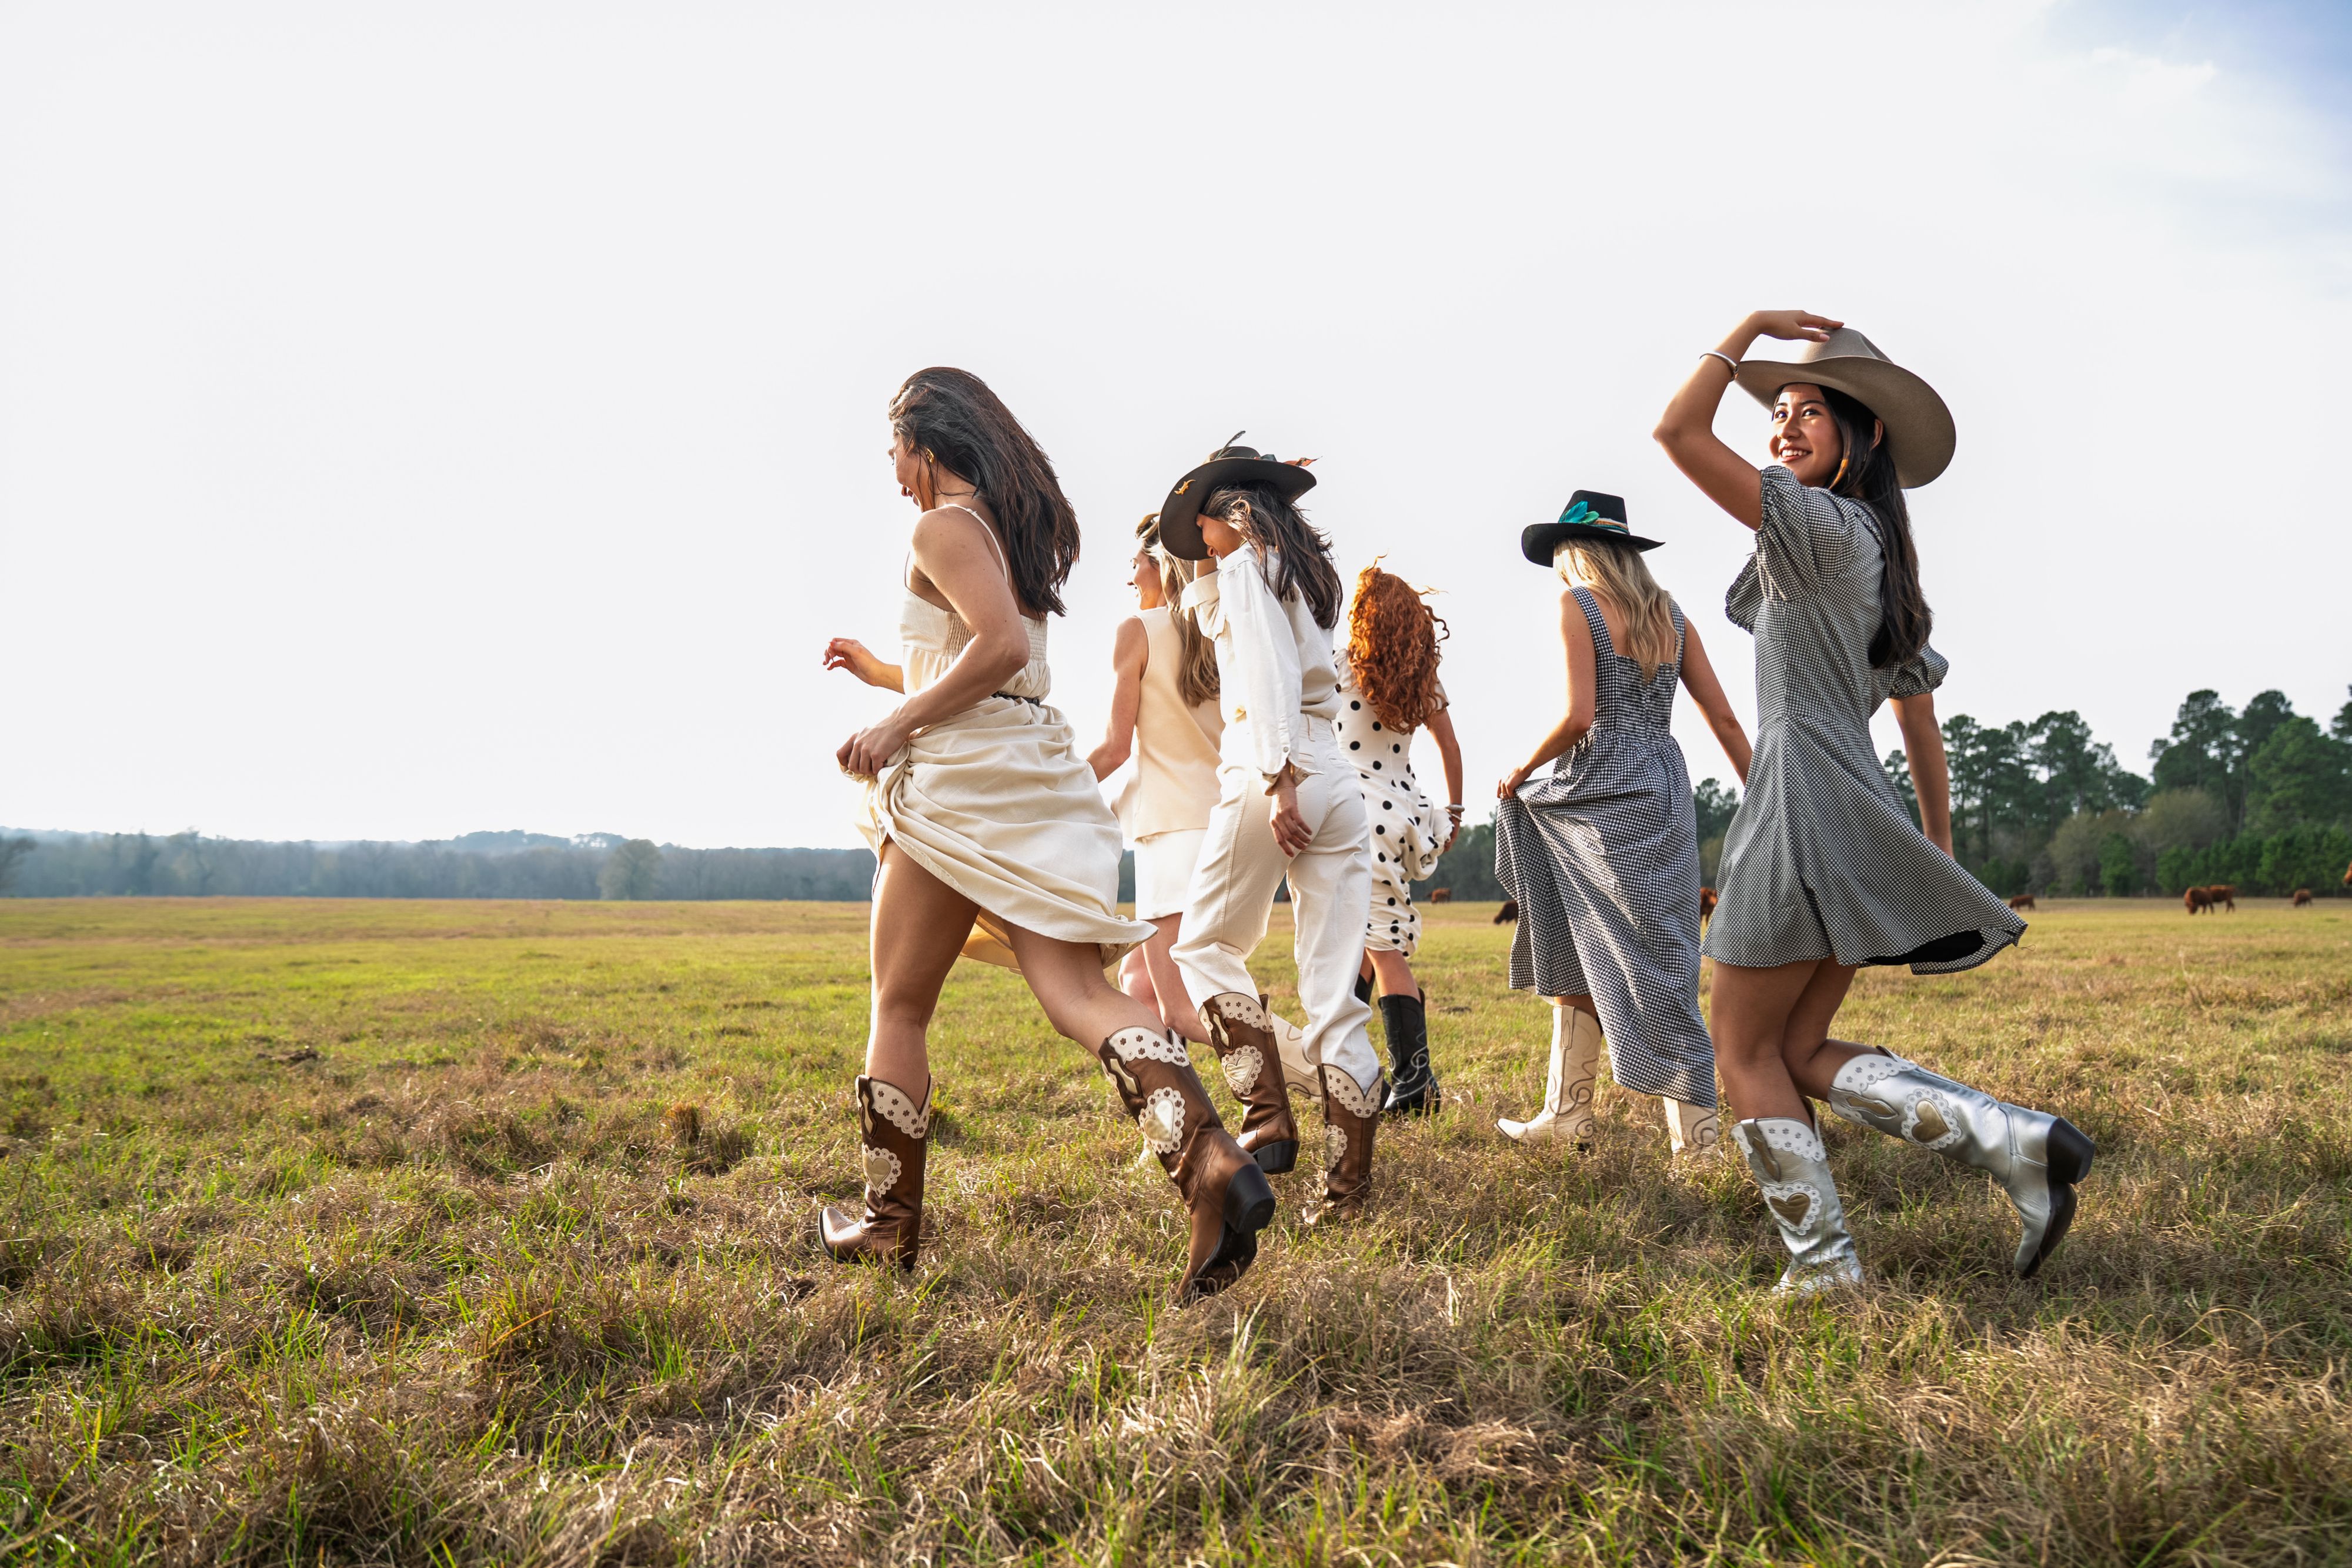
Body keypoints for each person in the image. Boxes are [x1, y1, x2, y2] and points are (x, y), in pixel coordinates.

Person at [1653, 312, 2093, 1291]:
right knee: (1796, 1045)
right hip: (1853, 801)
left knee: (1740, 1049)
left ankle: (1822, 1268)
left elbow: (1677, 435)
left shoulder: (1812, 526)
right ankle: (2014, 1143)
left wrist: (1750, 329)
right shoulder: (1875, 548)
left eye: (1812, 411)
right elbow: (1919, 713)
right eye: (1780, 411)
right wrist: (1930, 842)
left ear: (1868, 435)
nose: (1784, 426)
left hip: (1801, 796)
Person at [821, 370, 1275, 1301]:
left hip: (959, 789)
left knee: (898, 1007)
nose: (895, 474)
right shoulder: (1004, 527)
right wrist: (886, 676)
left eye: (895, 453)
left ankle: (889, 1223)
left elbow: (998, 652)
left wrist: (897, 725)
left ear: (927, 443)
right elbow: (982, 658)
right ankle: (1210, 1164)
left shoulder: (941, 524)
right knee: (1080, 992)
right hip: (1032, 775)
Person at [1157, 436, 1385, 1225]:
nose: (1198, 543)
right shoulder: (1302, 571)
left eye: (1202, 526)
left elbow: (1263, 674)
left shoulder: (1249, 566)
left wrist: (1279, 779)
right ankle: (1347, 1192)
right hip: (1340, 775)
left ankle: (1267, 1114)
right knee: (1333, 997)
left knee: (1200, 946)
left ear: (1234, 513)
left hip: (1275, 767)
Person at [1492, 492, 1750, 1158]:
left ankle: (1630, 1128)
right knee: (1659, 952)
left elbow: (1581, 716)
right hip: (1663, 784)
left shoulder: (1576, 605)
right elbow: (1722, 718)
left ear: (1574, 554)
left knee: (1615, 945)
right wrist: (1762, 785)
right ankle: (1618, 1126)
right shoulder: (1673, 617)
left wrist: (1520, 770)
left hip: (1597, 787)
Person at [1335, 564, 1465, 1114]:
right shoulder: (1419, 680)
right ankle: (1354, 1067)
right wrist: (1454, 811)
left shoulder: (1342, 667)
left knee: (1380, 950)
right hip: (1400, 812)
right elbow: (1450, 747)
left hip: (1353, 814)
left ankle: (1417, 1081)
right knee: (1366, 947)